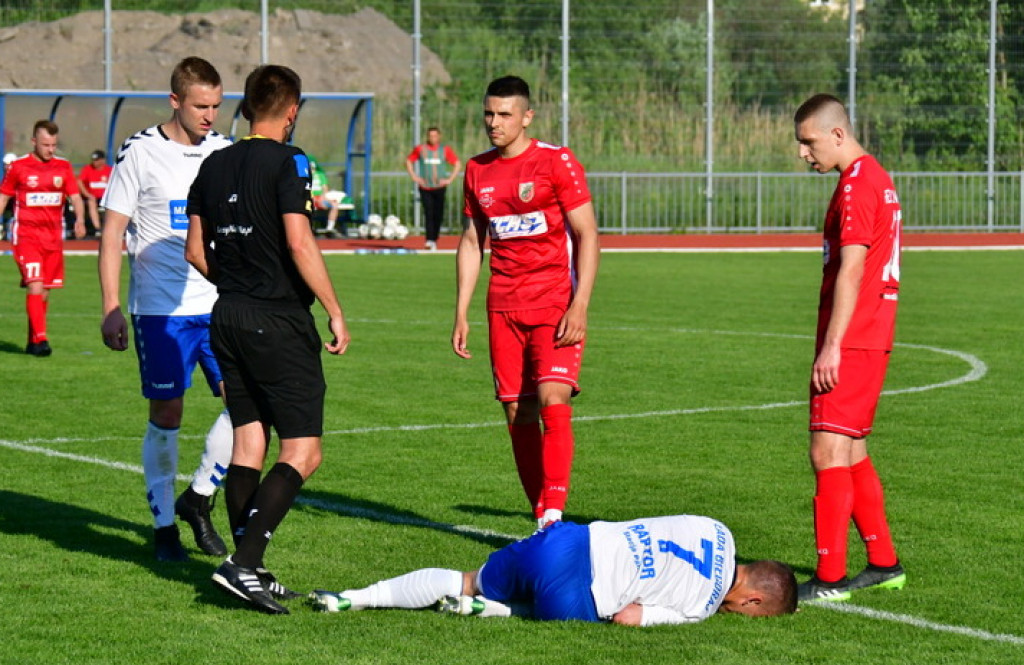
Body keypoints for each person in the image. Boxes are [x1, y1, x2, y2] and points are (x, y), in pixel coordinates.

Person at [185, 64, 351, 616]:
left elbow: (195, 251)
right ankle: (242, 563)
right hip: (276, 321)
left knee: (249, 441)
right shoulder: (288, 161)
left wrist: (236, 286)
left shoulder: (212, 163)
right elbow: (300, 243)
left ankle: (248, 568)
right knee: (303, 452)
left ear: (244, 106)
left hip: (226, 317)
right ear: (292, 109)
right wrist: (333, 309)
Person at [98, 57, 234, 562]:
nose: (210, 116)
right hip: (160, 311)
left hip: (218, 305)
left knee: (246, 404)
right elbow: (112, 233)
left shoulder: (223, 151)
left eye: (218, 106)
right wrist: (112, 305)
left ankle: (197, 497)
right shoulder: (140, 152)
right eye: (201, 106)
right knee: (168, 413)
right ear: (175, 101)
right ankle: (163, 528)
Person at [453, 75, 600, 530]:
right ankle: (541, 515)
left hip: (555, 302)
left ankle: (553, 512)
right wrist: (460, 310)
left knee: (553, 398)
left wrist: (580, 305)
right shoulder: (477, 170)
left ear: (526, 117)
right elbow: (472, 242)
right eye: (488, 114)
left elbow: (587, 235)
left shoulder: (556, 162)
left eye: (504, 115)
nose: (493, 123)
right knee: (518, 412)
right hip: (503, 308)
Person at [793, 93, 906, 602]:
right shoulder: (872, 178)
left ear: (837, 134)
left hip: (855, 336)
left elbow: (852, 268)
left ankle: (830, 577)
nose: (803, 153)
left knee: (826, 449)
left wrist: (832, 345)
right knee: (852, 448)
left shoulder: (859, 184)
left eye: (808, 142)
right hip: (869, 334)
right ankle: (883, 563)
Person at [309, 515, 798, 624]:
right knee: (554, 609)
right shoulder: (703, 608)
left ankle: (353, 597)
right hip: (576, 595)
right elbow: (629, 617)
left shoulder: (718, 528)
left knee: (468, 576)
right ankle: (494, 612)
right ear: (754, 600)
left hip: (570, 540)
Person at [0, 120, 86, 356]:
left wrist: (79, 219)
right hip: (26, 235)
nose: (50, 149)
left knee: (45, 290)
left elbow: (75, 197)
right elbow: (4, 197)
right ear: (34, 142)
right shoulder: (18, 167)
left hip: (53, 237)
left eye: (54, 145)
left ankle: (32, 341)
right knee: (35, 284)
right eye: (46, 144)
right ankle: (41, 339)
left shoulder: (63, 167)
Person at [405, 126, 461, 250]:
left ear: (439, 136)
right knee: (428, 212)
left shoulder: (444, 150)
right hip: (425, 187)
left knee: (438, 213)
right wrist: (414, 176)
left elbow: (457, 163)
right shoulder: (421, 149)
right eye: (430, 136)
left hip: (439, 187)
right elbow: (409, 160)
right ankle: (429, 240)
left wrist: (449, 179)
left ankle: (435, 237)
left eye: (435, 136)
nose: (433, 138)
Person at [77, 149, 112, 237]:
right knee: (91, 202)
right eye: (93, 160)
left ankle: (111, 228)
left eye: (97, 160)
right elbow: (79, 182)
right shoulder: (87, 169)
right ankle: (97, 228)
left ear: (102, 160)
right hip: (93, 197)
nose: (95, 162)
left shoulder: (109, 170)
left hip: (107, 198)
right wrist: (87, 194)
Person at [309, 156, 341, 236]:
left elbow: (325, 189)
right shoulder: (306, 175)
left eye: (313, 168)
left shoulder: (320, 175)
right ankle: (310, 228)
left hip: (320, 198)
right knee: (309, 206)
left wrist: (323, 197)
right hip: (310, 198)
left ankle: (329, 229)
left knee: (334, 205)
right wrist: (313, 198)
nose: (312, 170)